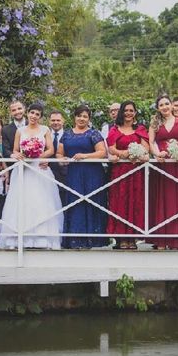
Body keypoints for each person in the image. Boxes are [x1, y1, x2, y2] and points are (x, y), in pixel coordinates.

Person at [0, 103, 63, 249]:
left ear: (40, 117)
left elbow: (51, 149)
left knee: (40, 200)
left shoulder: (45, 130)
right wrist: (20, 155)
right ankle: (18, 238)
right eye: (32, 113)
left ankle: (41, 239)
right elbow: (15, 150)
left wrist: (37, 155)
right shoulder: (20, 131)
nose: (34, 116)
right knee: (21, 200)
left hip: (39, 168)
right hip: (23, 170)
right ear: (28, 113)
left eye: (37, 114)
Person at [57, 105, 107, 249]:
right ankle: (74, 239)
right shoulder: (66, 134)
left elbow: (102, 152)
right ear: (74, 117)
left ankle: (93, 239)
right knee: (75, 202)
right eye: (79, 116)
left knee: (91, 202)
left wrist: (84, 156)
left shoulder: (94, 134)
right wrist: (62, 159)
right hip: (74, 174)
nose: (81, 119)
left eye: (85, 116)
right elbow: (60, 153)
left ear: (89, 119)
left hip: (92, 174)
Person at [149, 95, 178, 249]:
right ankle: (161, 239)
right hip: (162, 166)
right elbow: (151, 142)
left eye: (167, 104)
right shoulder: (155, 122)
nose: (165, 107)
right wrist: (157, 154)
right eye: (161, 105)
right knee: (162, 199)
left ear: (171, 105)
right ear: (158, 108)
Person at [106, 101, 150, 249]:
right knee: (119, 202)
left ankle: (132, 238)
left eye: (131, 110)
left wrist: (136, 154)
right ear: (121, 112)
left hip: (136, 172)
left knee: (135, 202)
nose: (129, 113)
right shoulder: (114, 129)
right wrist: (123, 153)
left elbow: (146, 148)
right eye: (126, 110)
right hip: (119, 171)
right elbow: (111, 149)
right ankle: (120, 238)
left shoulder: (140, 129)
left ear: (135, 112)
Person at [49, 110, 67, 205]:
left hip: (65, 174)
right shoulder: (44, 134)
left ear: (63, 121)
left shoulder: (69, 135)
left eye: (58, 120)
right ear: (49, 121)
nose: (55, 123)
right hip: (48, 173)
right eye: (53, 120)